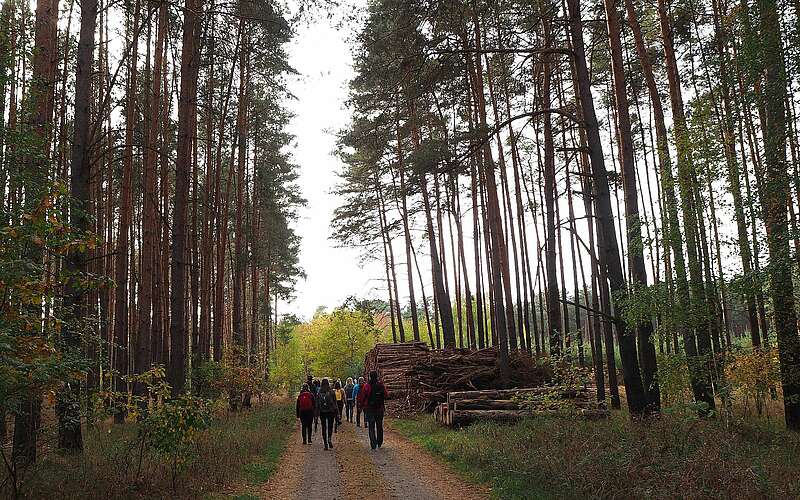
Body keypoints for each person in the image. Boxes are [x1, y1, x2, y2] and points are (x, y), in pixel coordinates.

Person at [358, 371, 388, 450]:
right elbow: (386, 395)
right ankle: (379, 442)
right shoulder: (381, 385)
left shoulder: (367, 386)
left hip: (370, 409)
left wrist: (361, 406)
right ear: (377, 376)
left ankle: (373, 443)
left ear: (370, 376)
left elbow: (363, 397)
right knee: (379, 425)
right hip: (379, 408)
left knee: (371, 426)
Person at [316, 378, 337, 450]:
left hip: (322, 412)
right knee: (330, 426)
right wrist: (337, 412)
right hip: (331, 411)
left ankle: (325, 443)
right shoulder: (331, 391)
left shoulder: (319, 392)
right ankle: (329, 439)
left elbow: (317, 404)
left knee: (324, 427)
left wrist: (316, 413)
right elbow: (335, 403)